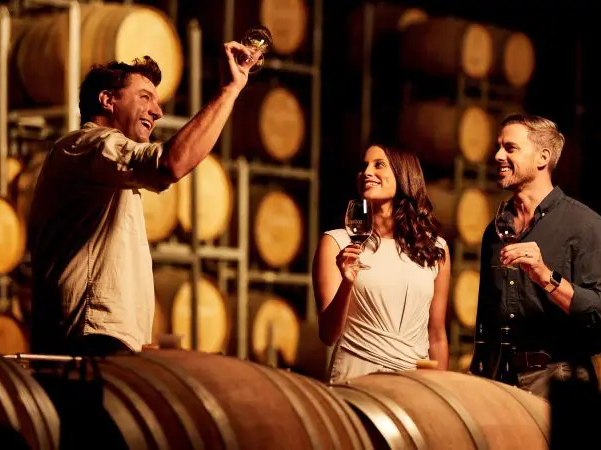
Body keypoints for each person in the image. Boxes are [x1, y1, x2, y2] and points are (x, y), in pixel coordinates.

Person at [27, 41, 262, 356]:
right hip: (88, 342)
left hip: (99, 339)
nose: (158, 111)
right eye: (145, 97)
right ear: (108, 100)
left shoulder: (104, 166)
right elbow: (171, 163)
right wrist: (230, 90)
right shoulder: (91, 144)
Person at [471, 113, 601, 398]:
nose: (498, 155)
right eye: (498, 146)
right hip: (499, 380)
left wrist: (546, 277)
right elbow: (486, 316)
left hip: (558, 379)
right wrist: (479, 371)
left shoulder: (585, 225)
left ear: (543, 157)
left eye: (510, 148)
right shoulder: (495, 231)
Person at [313, 144, 451, 383]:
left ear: (404, 175)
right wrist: (347, 283)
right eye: (363, 166)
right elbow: (328, 335)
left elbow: (436, 335)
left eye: (378, 165)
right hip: (356, 378)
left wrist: (438, 389)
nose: (366, 172)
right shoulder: (336, 242)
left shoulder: (434, 248)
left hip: (413, 382)